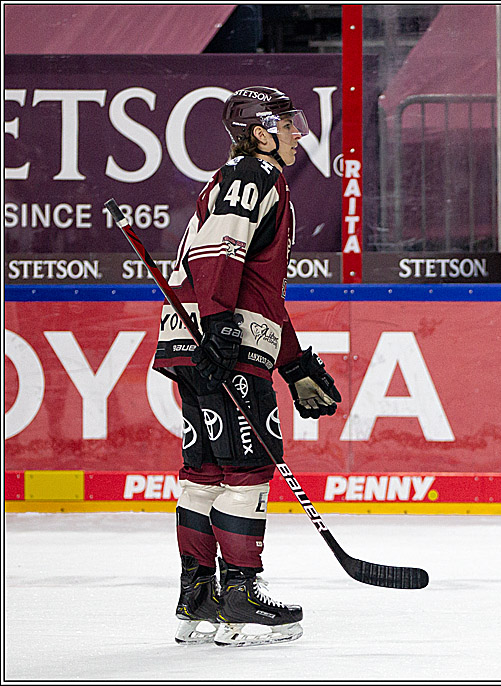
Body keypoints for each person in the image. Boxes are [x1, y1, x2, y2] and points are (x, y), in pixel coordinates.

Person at [154, 86, 343, 647]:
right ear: (262, 131)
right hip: (222, 341)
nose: (297, 134)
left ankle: (198, 598)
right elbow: (219, 254)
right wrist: (218, 327)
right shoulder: (254, 177)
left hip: (198, 341)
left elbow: (259, 292)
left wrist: (293, 364)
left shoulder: (236, 178)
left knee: (206, 472)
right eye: (287, 125)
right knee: (248, 471)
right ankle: (239, 597)